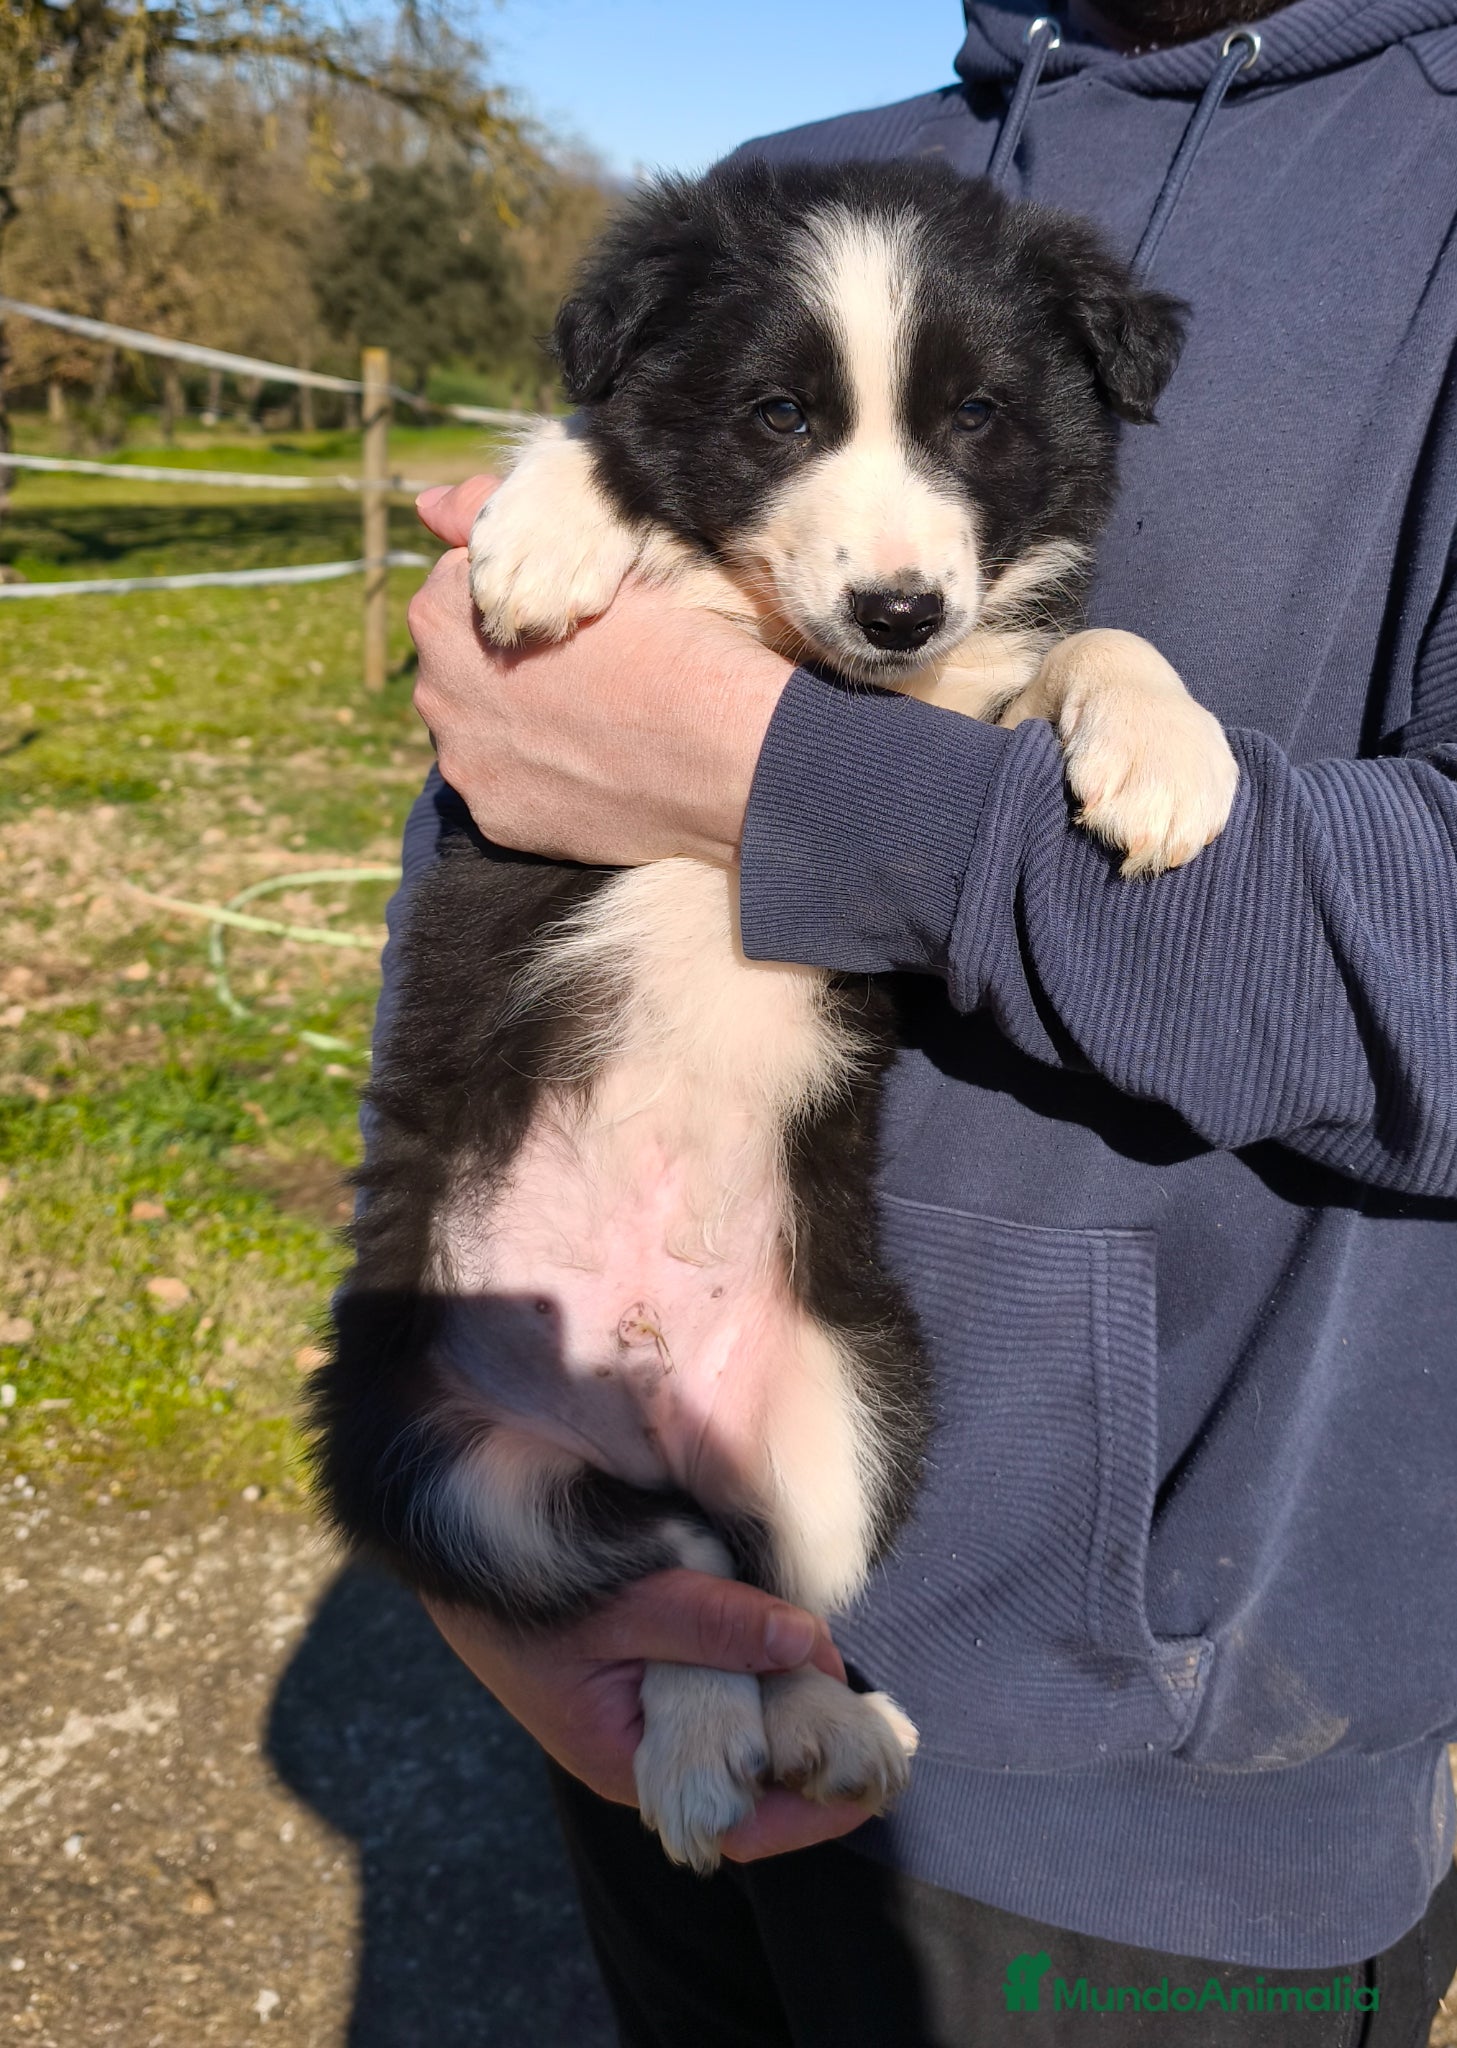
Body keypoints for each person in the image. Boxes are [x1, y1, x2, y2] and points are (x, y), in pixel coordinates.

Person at [392, 0, 1457, 2036]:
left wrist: (784, 777)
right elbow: (500, 793)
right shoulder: (796, 177)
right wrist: (470, 1469)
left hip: (1177, 1803)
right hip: (634, 1613)